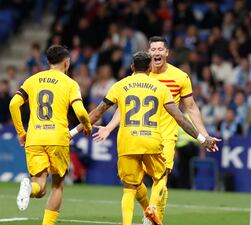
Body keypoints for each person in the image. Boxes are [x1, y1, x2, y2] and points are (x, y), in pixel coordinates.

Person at [70, 51, 219, 225]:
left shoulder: (120, 85)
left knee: (129, 188)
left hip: (127, 142)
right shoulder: (161, 88)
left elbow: (97, 113)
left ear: (132, 67)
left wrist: (73, 132)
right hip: (151, 141)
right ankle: (152, 208)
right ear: (149, 68)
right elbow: (179, 117)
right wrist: (202, 139)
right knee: (161, 176)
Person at [9, 45, 92, 225]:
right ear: (67, 62)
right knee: (57, 186)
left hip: (35, 137)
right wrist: (86, 126)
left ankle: (29, 188)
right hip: (57, 138)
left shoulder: (32, 80)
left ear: (48, 62)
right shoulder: (70, 83)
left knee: (40, 188)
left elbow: (13, 105)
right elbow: (81, 111)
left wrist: (21, 133)